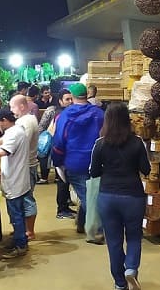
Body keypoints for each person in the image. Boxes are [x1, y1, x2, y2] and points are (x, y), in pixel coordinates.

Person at [89, 103, 151, 290]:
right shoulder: (137, 142)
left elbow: (94, 171)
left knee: (114, 240)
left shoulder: (100, 143)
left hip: (107, 197)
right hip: (133, 196)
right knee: (133, 236)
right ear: (127, 119)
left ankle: (119, 282)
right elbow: (146, 169)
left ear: (107, 120)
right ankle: (131, 268)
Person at [51, 83, 104, 233]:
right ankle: (82, 224)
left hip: (74, 162)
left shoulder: (65, 116)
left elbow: (59, 141)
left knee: (87, 196)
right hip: (96, 161)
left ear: (72, 97)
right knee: (90, 193)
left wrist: (57, 161)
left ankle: (98, 230)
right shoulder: (99, 114)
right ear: (87, 95)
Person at [0, 108, 32, 259]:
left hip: (15, 180)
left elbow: (4, 152)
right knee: (16, 214)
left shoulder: (15, 133)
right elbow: (2, 143)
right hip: (15, 178)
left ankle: (20, 246)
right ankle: (18, 240)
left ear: (5, 121)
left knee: (16, 215)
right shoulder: (14, 131)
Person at [39, 89, 74, 218]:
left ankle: (65, 206)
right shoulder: (60, 115)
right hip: (60, 153)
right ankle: (61, 210)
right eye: (67, 99)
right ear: (60, 101)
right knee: (62, 181)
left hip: (67, 154)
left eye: (71, 99)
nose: (70, 102)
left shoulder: (69, 113)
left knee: (65, 182)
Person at [9, 95, 40, 238]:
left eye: (12, 106)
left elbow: (20, 143)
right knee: (23, 199)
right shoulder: (27, 119)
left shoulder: (26, 122)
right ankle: (23, 230)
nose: (11, 110)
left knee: (27, 199)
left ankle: (29, 231)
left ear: (21, 106)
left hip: (26, 166)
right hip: (26, 165)